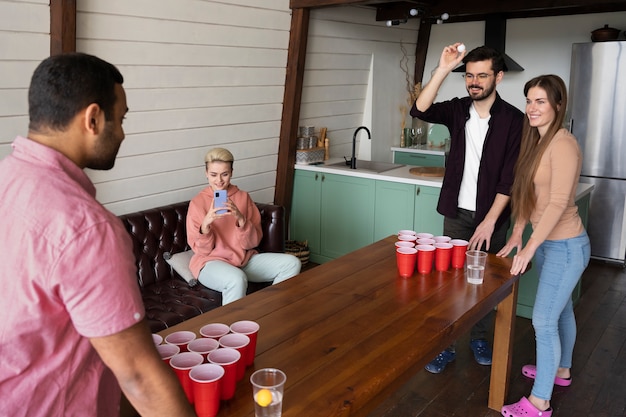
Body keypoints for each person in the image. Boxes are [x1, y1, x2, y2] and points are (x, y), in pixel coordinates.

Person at [0, 53, 195, 416]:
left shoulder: (6, 179)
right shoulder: (87, 227)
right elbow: (139, 377)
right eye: (119, 120)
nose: (122, 133)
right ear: (92, 119)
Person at [410, 44, 523, 373]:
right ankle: (445, 345)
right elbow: (420, 109)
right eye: (470, 75)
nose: (474, 82)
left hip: (493, 218)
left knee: (485, 283)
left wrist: (489, 222)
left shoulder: (514, 120)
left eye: (482, 75)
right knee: (450, 283)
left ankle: (479, 337)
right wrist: (444, 69)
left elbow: (509, 179)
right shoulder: (458, 110)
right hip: (456, 214)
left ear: (498, 77)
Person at [498, 75, 590, 417]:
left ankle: (539, 402)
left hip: (566, 247)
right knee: (561, 310)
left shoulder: (563, 144)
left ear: (558, 105)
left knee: (543, 321)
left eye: (540, 101)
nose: (532, 108)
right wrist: (519, 231)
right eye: (529, 100)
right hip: (554, 246)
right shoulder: (537, 141)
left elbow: (557, 203)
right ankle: (560, 370)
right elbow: (530, 196)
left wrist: (530, 247)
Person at [186, 147, 301, 305]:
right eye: (213, 174)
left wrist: (240, 219)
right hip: (210, 263)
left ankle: (271, 311)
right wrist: (206, 224)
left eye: (224, 174)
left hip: (243, 260)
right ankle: (232, 330)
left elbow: (252, 243)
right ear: (206, 173)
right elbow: (202, 251)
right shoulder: (197, 203)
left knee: (292, 263)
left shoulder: (243, 197)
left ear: (232, 172)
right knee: (236, 279)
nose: (219, 180)